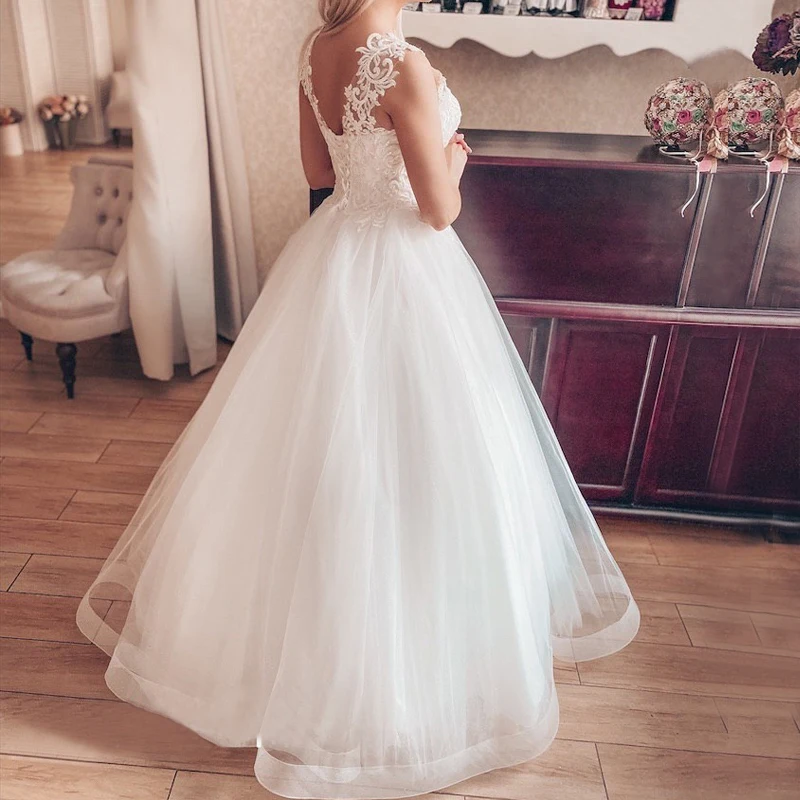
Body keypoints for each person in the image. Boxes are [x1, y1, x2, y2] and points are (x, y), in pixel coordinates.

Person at [77, 1, 640, 797]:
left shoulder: (318, 48)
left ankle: (279, 639)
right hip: (407, 264)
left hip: (336, 249)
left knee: (318, 447)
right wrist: (454, 161)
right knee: (421, 457)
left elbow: (319, 175)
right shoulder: (401, 62)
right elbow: (438, 211)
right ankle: (402, 667)